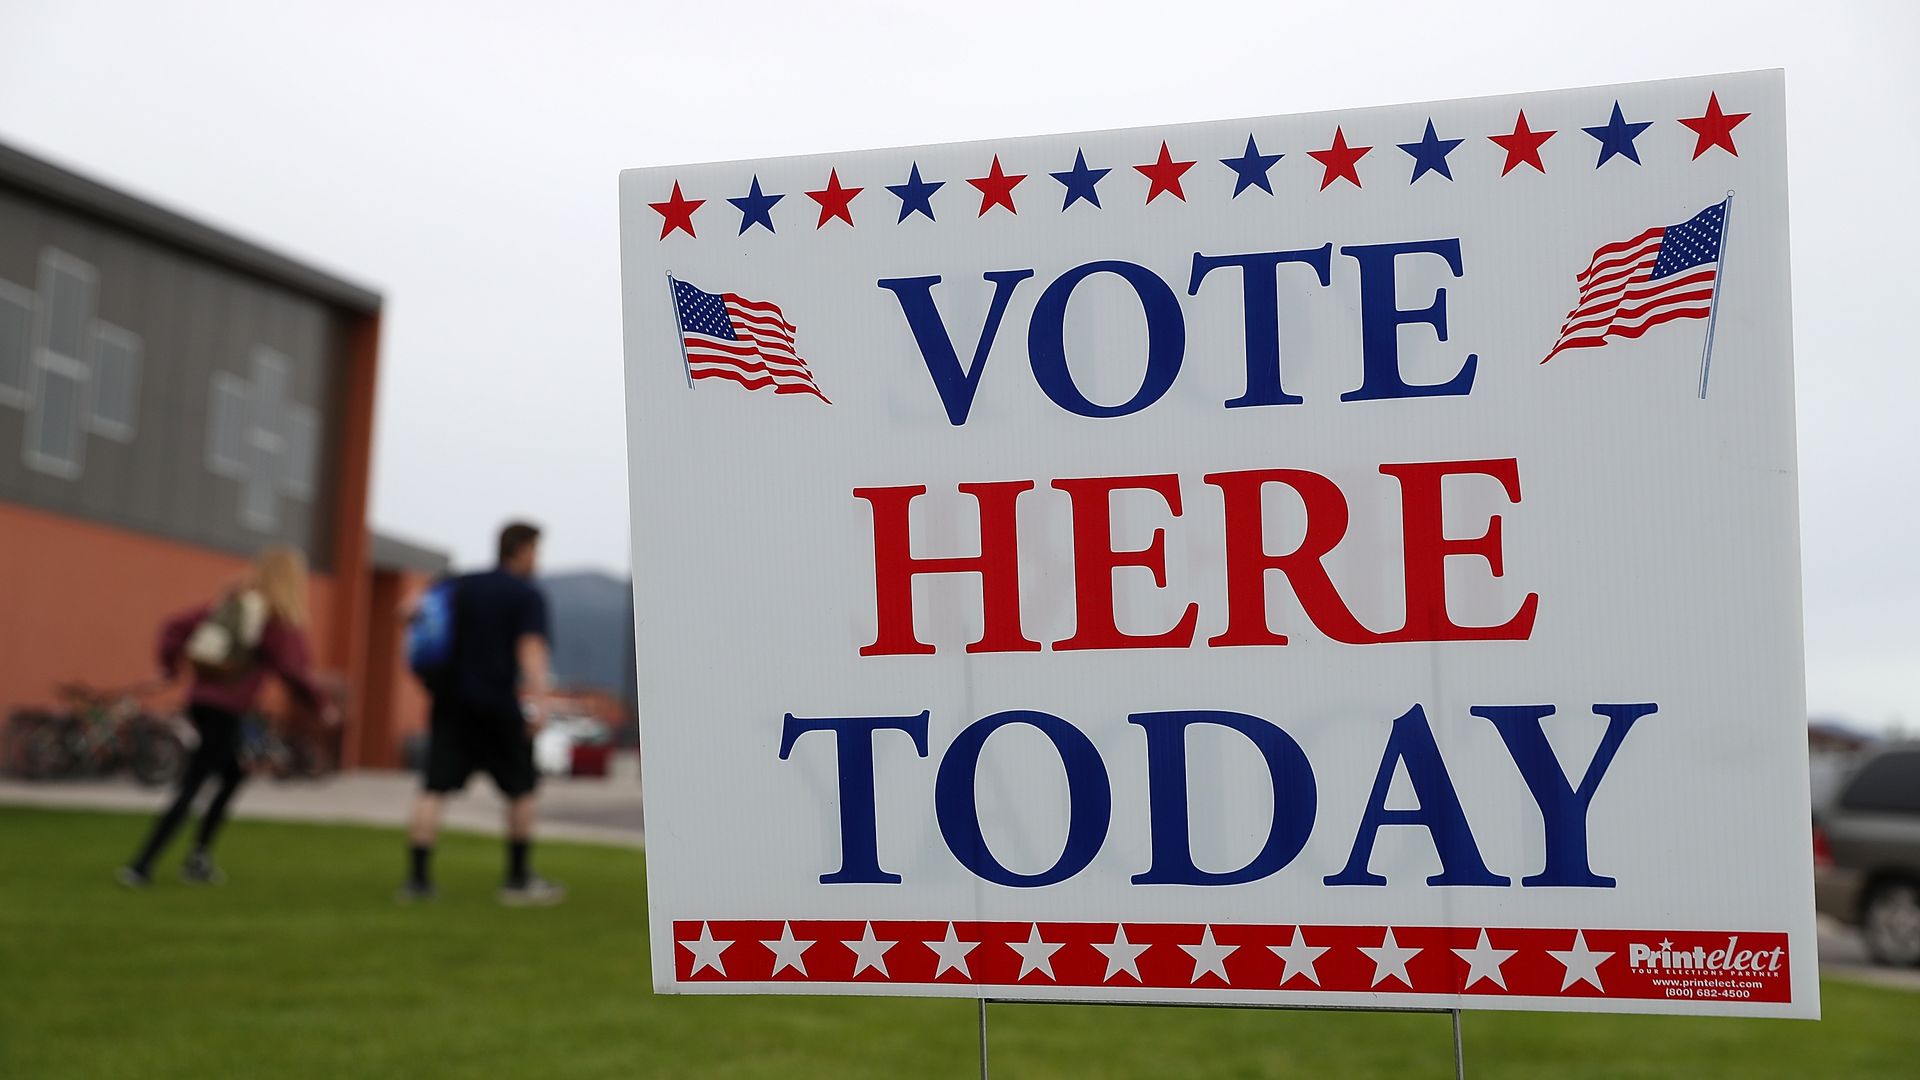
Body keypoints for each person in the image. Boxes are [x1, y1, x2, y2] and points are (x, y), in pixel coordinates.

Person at [120, 546, 334, 886]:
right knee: (194, 783)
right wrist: (321, 705)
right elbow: (294, 668)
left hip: (200, 703)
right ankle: (142, 866)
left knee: (233, 774)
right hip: (228, 708)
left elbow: (174, 626)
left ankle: (197, 858)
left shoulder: (230, 605)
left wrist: (169, 667)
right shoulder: (273, 617)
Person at [401, 521, 564, 905]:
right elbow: (531, 649)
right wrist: (540, 703)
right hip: (497, 704)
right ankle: (518, 879)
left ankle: (418, 882)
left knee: (434, 787)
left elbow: (407, 610)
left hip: (450, 702)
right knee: (521, 789)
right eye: (536, 550)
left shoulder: (461, 584)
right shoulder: (525, 595)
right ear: (522, 549)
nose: (538, 559)